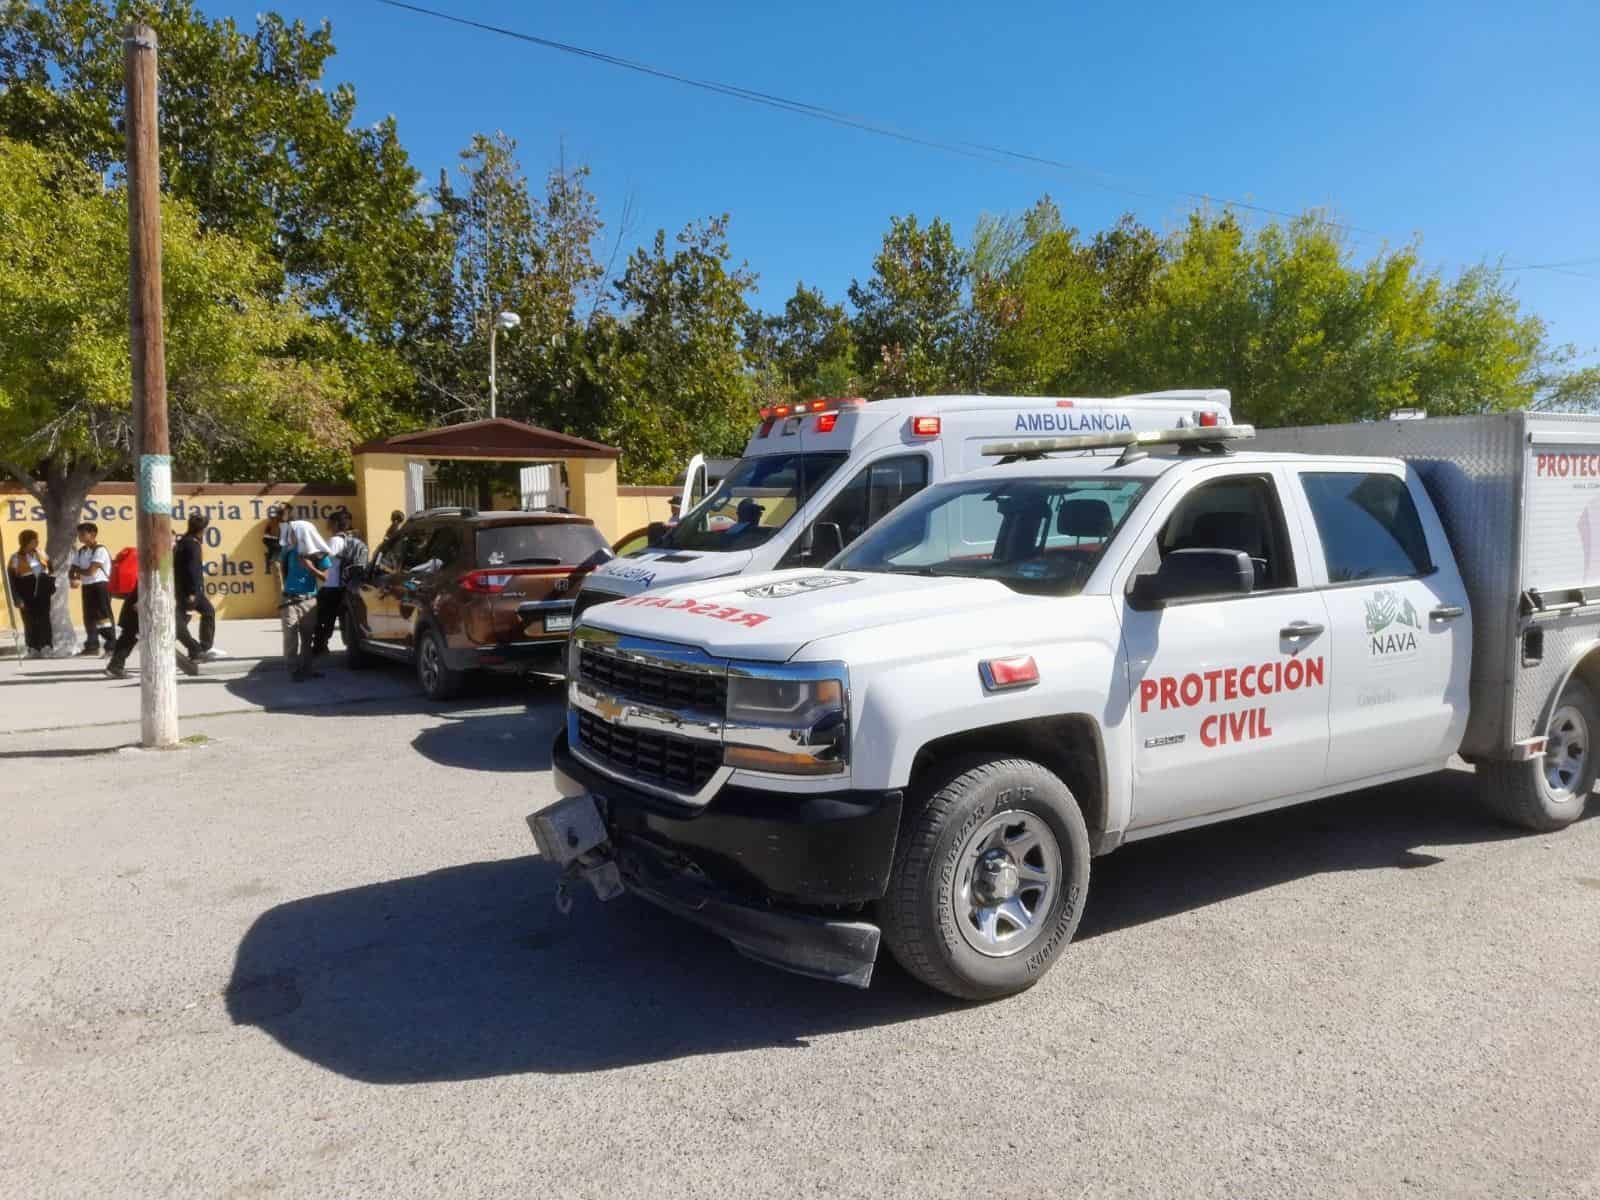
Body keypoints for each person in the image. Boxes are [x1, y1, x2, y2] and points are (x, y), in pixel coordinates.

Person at [103, 581, 202, 680]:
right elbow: (148, 585)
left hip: (145, 604)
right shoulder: (156, 572)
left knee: (129, 637)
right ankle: (196, 651)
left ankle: (115, 667)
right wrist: (140, 602)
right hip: (141, 605)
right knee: (129, 637)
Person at [174, 512, 226, 662]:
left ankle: (202, 648)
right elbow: (191, 569)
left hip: (188, 589)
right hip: (191, 590)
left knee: (206, 612)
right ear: (202, 529)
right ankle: (196, 650)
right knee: (181, 622)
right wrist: (191, 592)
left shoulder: (184, 541)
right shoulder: (192, 544)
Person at [279, 531, 329, 681]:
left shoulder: (318, 553)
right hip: (289, 599)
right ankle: (293, 671)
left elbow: (325, 577)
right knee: (290, 636)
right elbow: (282, 569)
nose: (291, 536)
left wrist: (310, 567)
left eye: (294, 533)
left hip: (309, 600)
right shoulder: (287, 550)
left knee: (307, 638)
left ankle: (307, 669)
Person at [312, 511, 356, 656]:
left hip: (330, 586)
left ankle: (320, 646)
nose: (327, 524)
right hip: (339, 586)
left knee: (323, 619)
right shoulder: (347, 539)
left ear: (336, 523)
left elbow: (324, 558)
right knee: (331, 619)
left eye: (330, 521)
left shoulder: (335, 541)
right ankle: (322, 645)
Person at [68, 522, 115, 656]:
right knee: (89, 616)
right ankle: (92, 645)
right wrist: (73, 577)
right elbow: (72, 569)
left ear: (93, 534)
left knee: (103, 616)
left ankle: (111, 645)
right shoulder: (82, 551)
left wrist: (77, 571)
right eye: (79, 534)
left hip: (100, 585)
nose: (80, 537)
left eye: (83, 534)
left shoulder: (100, 550)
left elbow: (90, 571)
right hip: (87, 586)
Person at [7, 529, 54, 657]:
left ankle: (46, 646)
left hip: (42, 589)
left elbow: (50, 568)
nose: (37, 542)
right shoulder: (15, 558)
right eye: (34, 540)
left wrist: (50, 583)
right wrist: (17, 598)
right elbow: (12, 579)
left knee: (44, 618)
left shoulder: (41, 553)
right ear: (26, 542)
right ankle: (33, 647)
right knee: (29, 619)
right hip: (25, 589)